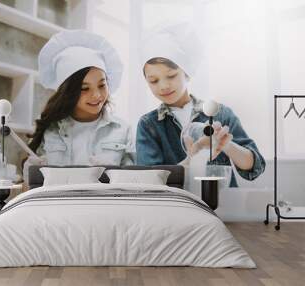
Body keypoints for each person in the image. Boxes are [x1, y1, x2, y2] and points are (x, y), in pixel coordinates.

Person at [136, 24, 265, 187]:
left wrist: (226, 145)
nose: (163, 86)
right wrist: (192, 159)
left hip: (221, 206)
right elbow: (149, 181)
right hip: (176, 207)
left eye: (171, 76)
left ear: (187, 72)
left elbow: (255, 167)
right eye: (154, 80)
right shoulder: (149, 125)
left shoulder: (221, 114)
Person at [23, 30, 135, 183]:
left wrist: (113, 176)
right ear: (67, 92)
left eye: (102, 85)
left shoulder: (124, 130)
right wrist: (31, 174)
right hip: (59, 206)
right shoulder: (51, 131)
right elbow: (38, 187)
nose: (96, 95)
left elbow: (135, 184)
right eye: (84, 88)